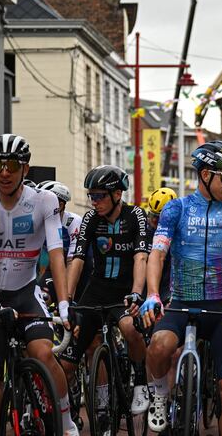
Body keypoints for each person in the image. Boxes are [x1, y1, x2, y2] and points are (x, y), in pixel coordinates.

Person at [0, 134, 77, 436]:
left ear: (25, 169)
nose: (4, 172)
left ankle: (66, 423)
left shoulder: (44, 201)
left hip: (26, 293)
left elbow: (55, 253)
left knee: (43, 353)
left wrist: (64, 304)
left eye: (12, 165)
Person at [140, 141, 222, 435]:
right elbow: (158, 254)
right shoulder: (177, 209)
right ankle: (161, 393)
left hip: (221, 306)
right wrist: (152, 294)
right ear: (205, 175)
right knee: (158, 346)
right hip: (180, 302)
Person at [62, 166, 151, 428]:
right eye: (92, 196)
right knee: (70, 359)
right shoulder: (90, 218)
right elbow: (77, 258)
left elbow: (141, 256)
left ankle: (141, 379)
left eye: (100, 196)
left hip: (125, 290)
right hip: (97, 290)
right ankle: (98, 402)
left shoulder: (136, 215)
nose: (95, 202)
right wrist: (67, 299)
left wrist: (136, 293)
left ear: (117, 194)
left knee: (129, 328)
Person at [35, 181, 82, 305]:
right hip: (54, 268)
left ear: (60, 205)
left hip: (79, 268)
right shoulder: (38, 222)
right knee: (42, 298)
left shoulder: (73, 222)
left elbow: (72, 261)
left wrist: (66, 298)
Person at [146, 187, 177, 303]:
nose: (154, 220)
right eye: (151, 215)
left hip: (168, 286)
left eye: (158, 217)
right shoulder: (144, 230)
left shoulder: (177, 232)